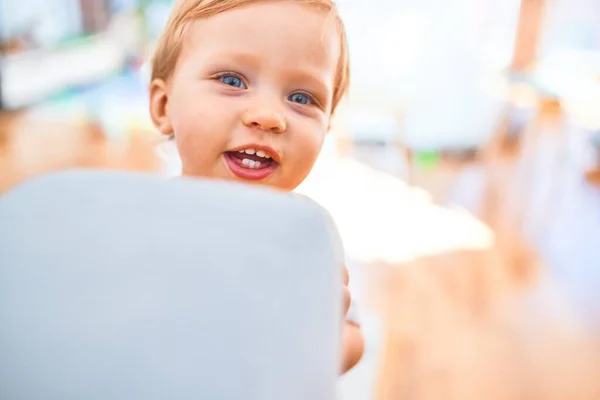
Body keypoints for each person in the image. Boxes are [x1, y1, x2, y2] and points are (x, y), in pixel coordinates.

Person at [148, 0, 364, 373]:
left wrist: (320, 347)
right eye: (232, 81)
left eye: (302, 98)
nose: (268, 117)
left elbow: (352, 334)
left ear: (327, 127)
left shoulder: (307, 232)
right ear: (164, 106)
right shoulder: (139, 220)